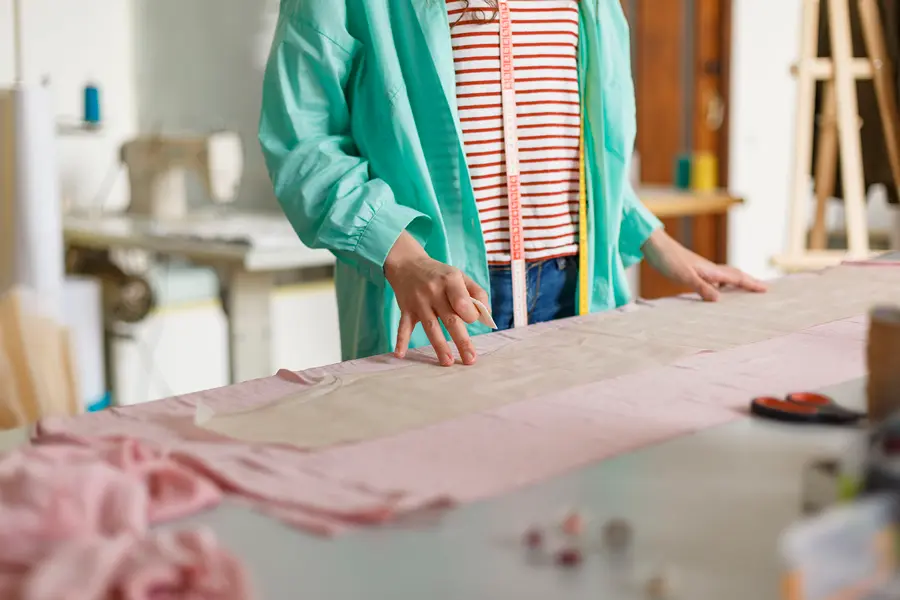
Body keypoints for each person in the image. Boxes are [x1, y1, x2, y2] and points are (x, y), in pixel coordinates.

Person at [259, 0, 766, 367]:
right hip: (440, 294)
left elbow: (575, 146)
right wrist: (404, 256)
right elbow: (303, 138)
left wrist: (654, 240)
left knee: (575, 472)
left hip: (577, 287)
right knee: (438, 471)